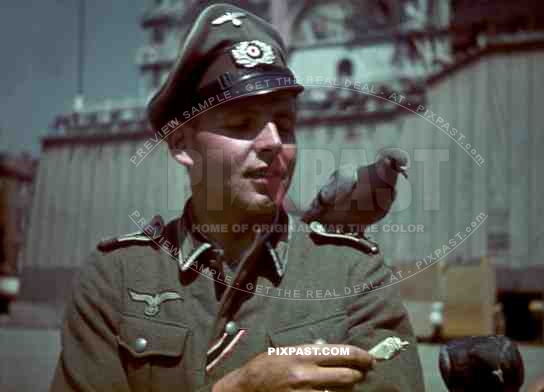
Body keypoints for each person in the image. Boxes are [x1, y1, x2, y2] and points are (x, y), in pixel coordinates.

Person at [50, 3, 424, 391]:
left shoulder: (355, 275)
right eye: (241, 123)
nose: (273, 143)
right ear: (181, 144)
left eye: (285, 123)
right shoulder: (116, 279)